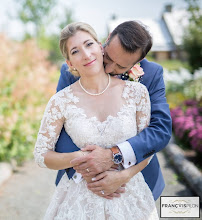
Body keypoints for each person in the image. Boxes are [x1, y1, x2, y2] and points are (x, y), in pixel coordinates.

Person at [34, 22, 159, 219]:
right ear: (70, 64)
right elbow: (41, 155)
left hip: (128, 193)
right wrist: (83, 158)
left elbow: (148, 147)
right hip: (80, 200)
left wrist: (121, 176)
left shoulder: (137, 92)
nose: (85, 54)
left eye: (89, 44)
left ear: (101, 47)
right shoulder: (60, 101)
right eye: (75, 51)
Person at [55, 20, 172, 200]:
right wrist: (90, 170)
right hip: (80, 182)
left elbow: (160, 130)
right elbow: (57, 129)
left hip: (134, 181)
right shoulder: (72, 70)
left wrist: (114, 158)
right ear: (107, 39)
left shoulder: (152, 74)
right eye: (108, 58)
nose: (109, 69)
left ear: (138, 60)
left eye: (120, 66)